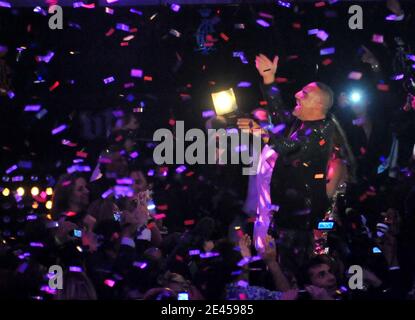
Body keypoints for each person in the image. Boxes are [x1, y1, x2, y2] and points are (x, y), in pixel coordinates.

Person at [238, 54, 336, 272]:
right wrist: (269, 79)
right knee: (270, 271)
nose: (296, 94)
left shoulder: (322, 129)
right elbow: (278, 114)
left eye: (304, 93)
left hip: (296, 223)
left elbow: (288, 147)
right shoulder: (300, 124)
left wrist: (259, 132)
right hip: (273, 215)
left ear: (318, 103)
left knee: (290, 276)